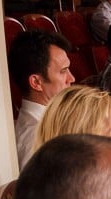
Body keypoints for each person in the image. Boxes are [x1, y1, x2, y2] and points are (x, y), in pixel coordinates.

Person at [7, 30, 75, 169]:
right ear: (36, 82)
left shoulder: (53, 123)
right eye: (63, 71)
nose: (72, 78)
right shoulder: (35, 140)